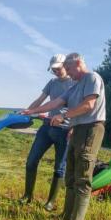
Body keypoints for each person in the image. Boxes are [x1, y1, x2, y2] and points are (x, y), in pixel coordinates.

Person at [22, 53, 106, 220]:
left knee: (82, 175)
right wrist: (31, 111)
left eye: (68, 69)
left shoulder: (92, 77)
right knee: (71, 175)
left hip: (90, 129)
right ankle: (66, 215)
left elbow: (88, 105)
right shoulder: (74, 86)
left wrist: (64, 116)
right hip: (77, 129)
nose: (67, 73)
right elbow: (55, 103)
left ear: (78, 63)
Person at [19, 54, 75, 211]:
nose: (56, 72)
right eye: (53, 70)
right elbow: (40, 99)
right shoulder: (52, 82)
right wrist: (28, 111)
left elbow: (79, 108)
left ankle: (50, 202)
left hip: (64, 130)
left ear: (66, 66)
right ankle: (27, 196)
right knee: (31, 161)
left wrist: (73, 127)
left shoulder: (74, 83)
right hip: (47, 127)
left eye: (58, 68)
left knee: (59, 167)